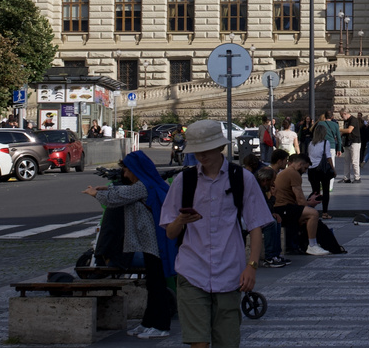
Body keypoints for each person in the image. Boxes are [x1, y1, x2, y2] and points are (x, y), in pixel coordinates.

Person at [160, 118, 274, 348]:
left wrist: (251, 266)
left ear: (220, 147)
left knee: (227, 342)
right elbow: (170, 233)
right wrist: (181, 220)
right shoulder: (184, 181)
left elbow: (255, 226)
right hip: (192, 271)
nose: (201, 156)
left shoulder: (242, 178)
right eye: (197, 151)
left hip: (229, 273)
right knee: (198, 343)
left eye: (206, 150)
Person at [83, 151, 176, 339]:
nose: (125, 175)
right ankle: (149, 322)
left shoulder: (143, 186)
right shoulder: (147, 184)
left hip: (155, 244)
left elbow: (116, 198)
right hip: (151, 243)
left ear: (135, 170)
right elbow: (121, 192)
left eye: (126, 170)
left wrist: (95, 194)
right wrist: (105, 190)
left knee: (157, 285)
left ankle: (160, 325)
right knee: (153, 284)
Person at [270, 152, 328, 257]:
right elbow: (300, 200)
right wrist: (310, 205)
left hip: (281, 208)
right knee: (313, 214)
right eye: (305, 168)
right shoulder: (293, 173)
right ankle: (312, 245)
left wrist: (310, 202)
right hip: (283, 208)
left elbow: (299, 202)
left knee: (306, 217)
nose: (305, 171)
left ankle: (297, 245)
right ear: (300, 164)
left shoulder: (287, 172)